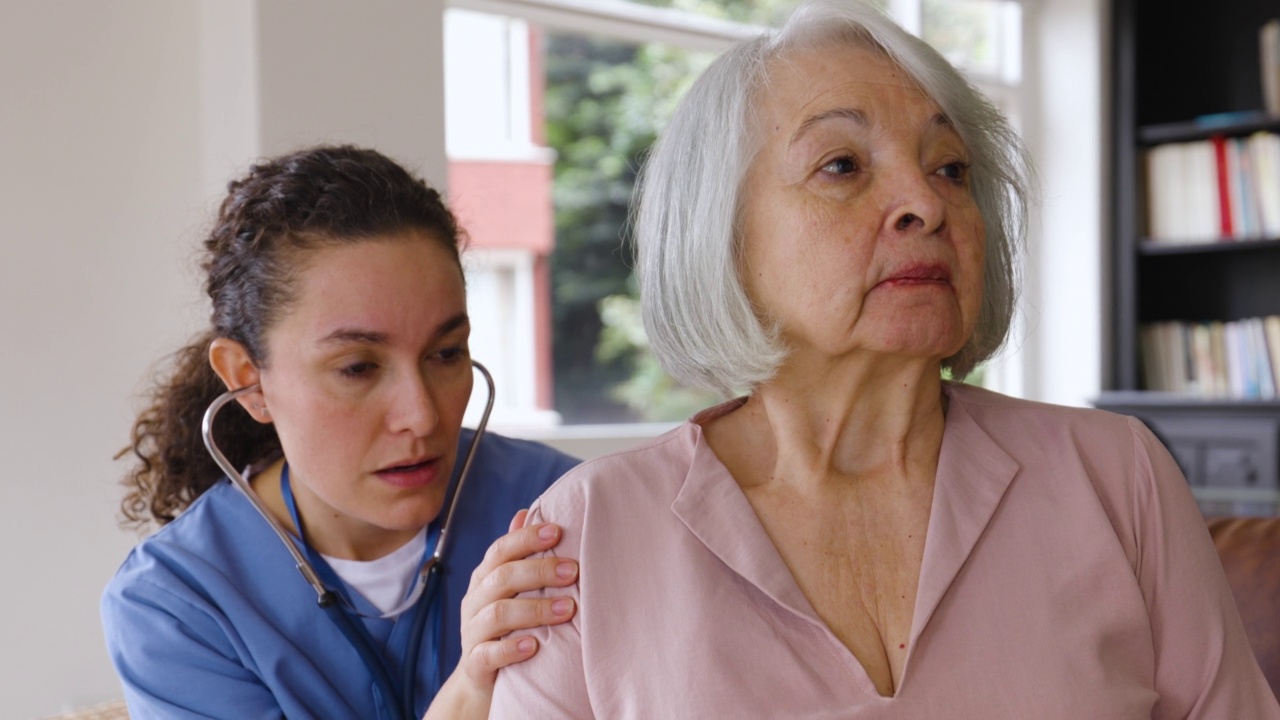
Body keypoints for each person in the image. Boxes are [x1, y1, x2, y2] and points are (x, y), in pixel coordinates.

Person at [489, 1, 1280, 717]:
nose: (926, 204)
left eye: (950, 169)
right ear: (719, 233)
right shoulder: (588, 533)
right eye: (843, 166)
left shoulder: (1120, 476)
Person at [101, 145, 581, 720]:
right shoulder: (177, 603)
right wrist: (472, 694)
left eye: (447, 352)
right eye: (358, 367)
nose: (422, 416)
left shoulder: (560, 508)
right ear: (248, 381)